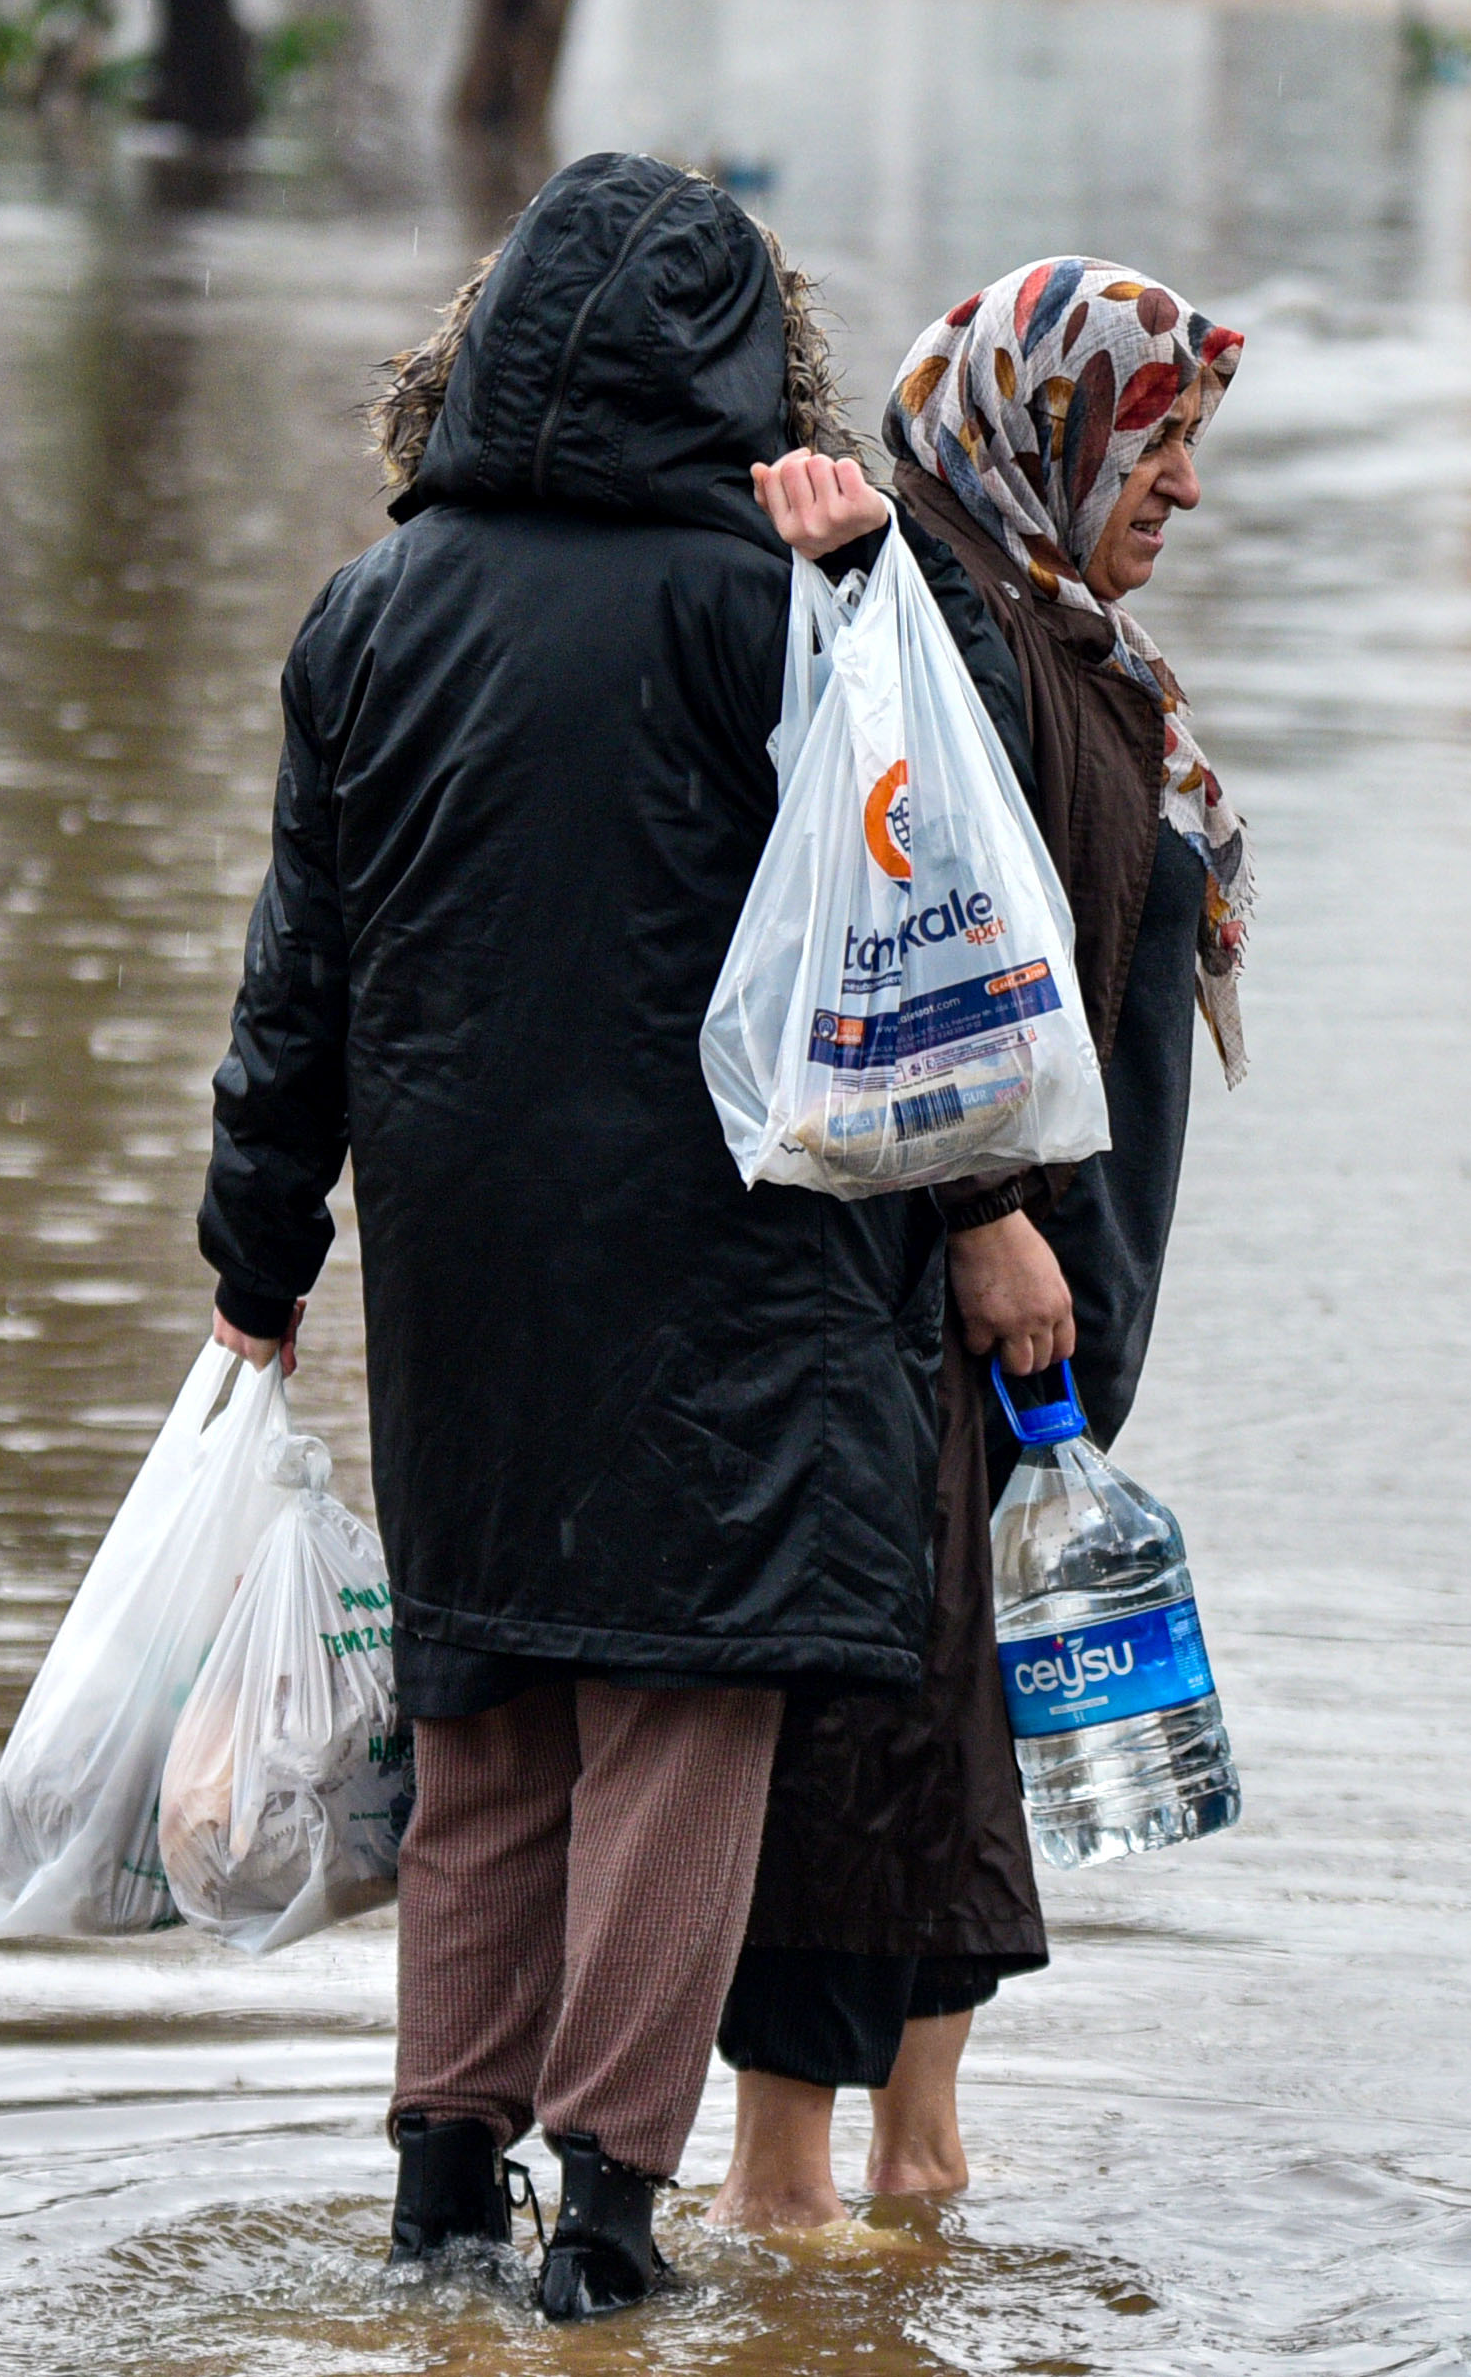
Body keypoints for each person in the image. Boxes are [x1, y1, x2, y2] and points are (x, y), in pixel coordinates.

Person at [193, 153, 955, 2322]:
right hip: (724, 1264)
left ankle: (441, 2195)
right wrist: (867, 579)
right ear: (744, 366)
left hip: (465, 1271)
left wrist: (260, 1249)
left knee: (491, 1713)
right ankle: (609, 2220)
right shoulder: (770, 601)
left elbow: (293, 984)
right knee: (680, 1720)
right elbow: (937, 908)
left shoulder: (373, 608)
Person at [709, 253, 1256, 2233]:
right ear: (1044, 421)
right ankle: (793, 2225)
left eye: (1192, 444)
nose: (1185, 486)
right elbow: (900, 932)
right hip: (928, 1326)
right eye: (1160, 438)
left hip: (1031, 1353)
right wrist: (994, 1212)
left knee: (959, 1769)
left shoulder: (1056, 627)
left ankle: (912, 2202)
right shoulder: (929, 602)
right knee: (874, 1756)